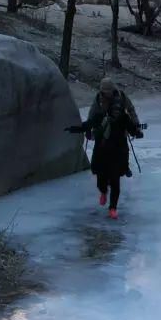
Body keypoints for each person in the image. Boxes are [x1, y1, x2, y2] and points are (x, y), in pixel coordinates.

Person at [66, 77, 143, 219]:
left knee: (115, 179)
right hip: (102, 144)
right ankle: (102, 191)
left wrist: (137, 129)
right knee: (101, 177)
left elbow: (131, 118)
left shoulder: (122, 108)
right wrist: (79, 129)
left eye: (108, 91)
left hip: (118, 146)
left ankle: (113, 207)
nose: (106, 94)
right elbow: (90, 119)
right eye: (104, 92)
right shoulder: (98, 106)